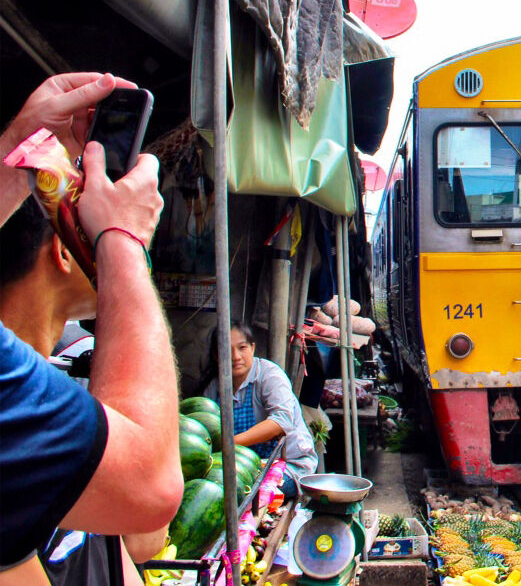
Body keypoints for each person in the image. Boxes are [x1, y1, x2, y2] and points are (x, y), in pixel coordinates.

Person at [0, 73, 182, 583]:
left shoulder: (46, 397)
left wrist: (18, 148)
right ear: (62, 249)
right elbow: (150, 493)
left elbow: (136, 542)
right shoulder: (23, 406)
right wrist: (122, 240)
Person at [0, 200, 167, 585]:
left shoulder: (60, 401)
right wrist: (124, 253)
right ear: (62, 250)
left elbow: (143, 539)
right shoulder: (18, 423)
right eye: (91, 231)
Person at [203, 325, 318, 497]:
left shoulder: (269, 375)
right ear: (216, 356)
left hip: (288, 467)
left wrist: (230, 444)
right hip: (243, 467)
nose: (236, 357)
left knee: (240, 494)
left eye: (242, 348)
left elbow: (281, 421)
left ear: (253, 348)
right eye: (227, 350)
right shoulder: (214, 388)